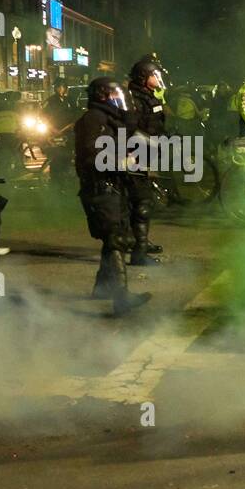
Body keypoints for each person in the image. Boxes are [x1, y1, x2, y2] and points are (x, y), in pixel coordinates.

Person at [74, 78, 151, 315]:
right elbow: (90, 155)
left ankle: (103, 287)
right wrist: (120, 161)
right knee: (115, 237)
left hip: (112, 185)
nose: (119, 99)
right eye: (113, 95)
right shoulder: (93, 119)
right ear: (102, 96)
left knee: (114, 237)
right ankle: (121, 298)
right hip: (99, 187)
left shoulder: (110, 120)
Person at [125, 56, 168, 264]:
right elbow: (131, 130)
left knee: (143, 201)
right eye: (154, 75)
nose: (157, 78)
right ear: (143, 77)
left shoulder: (150, 96)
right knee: (140, 202)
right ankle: (138, 251)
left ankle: (140, 241)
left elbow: (155, 123)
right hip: (134, 155)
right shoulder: (133, 98)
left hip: (147, 153)